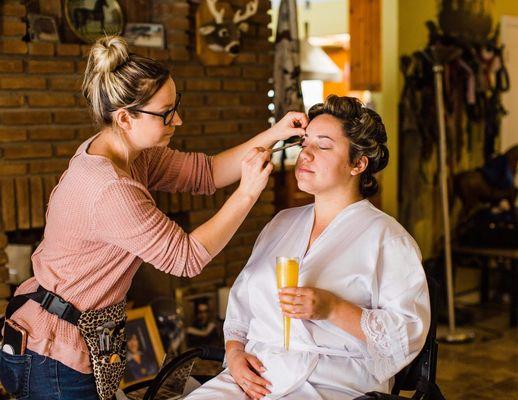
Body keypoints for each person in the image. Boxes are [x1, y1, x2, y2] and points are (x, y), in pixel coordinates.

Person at [0, 35, 307, 400]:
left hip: (73, 333)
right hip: (53, 350)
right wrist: (247, 193)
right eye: (165, 113)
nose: (177, 119)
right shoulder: (110, 189)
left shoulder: (130, 154)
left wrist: (276, 132)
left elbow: (206, 173)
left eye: (175, 105)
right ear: (126, 117)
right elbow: (187, 258)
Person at [185, 96, 431, 400]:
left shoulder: (387, 239)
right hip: (254, 375)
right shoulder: (281, 223)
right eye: (304, 144)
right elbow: (241, 309)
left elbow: (406, 335)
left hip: (333, 382)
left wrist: (332, 308)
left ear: (358, 163)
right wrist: (234, 356)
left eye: (323, 146)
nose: (306, 155)